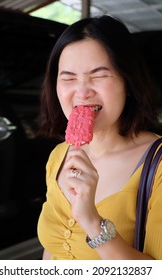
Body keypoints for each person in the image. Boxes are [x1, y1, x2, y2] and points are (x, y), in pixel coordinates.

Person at [37, 14, 162, 260]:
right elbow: (52, 249)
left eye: (99, 75)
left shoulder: (157, 165)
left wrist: (92, 221)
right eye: (68, 78)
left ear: (128, 81)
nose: (82, 92)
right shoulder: (59, 156)